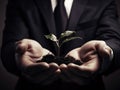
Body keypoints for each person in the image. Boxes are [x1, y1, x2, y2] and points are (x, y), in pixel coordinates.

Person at [1, 0, 120, 90]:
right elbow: (10, 46)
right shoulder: (21, 2)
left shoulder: (102, 2)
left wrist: (105, 52)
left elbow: (113, 40)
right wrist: (18, 55)